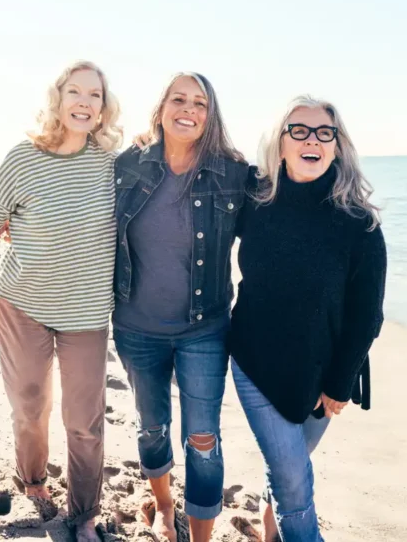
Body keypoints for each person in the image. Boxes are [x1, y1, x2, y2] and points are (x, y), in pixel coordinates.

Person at [0, 60, 122, 542]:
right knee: (30, 406)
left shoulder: (113, 164)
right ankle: (33, 483)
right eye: (76, 92)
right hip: (21, 304)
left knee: (85, 419)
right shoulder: (22, 158)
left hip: (87, 313)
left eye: (95, 95)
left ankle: (85, 512)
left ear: (104, 105)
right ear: (58, 98)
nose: (85, 103)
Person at [230, 96, 387, 542]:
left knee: (288, 464)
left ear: (338, 147)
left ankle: (267, 525)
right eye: (298, 130)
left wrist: (340, 382)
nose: (311, 139)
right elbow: (202, 173)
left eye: (324, 132)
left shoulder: (359, 224)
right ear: (279, 143)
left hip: (323, 375)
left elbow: (367, 316)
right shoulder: (254, 197)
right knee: (295, 483)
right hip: (254, 362)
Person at [112, 72, 248, 542]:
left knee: (203, 441)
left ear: (211, 116)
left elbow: (278, 233)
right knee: (152, 428)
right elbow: (85, 214)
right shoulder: (128, 166)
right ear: (162, 106)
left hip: (204, 330)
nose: (188, 109)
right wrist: (15, 219)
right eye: (179, 99)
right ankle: (166, 507)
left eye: (199, 103)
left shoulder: (234, 174)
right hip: (135, 327)